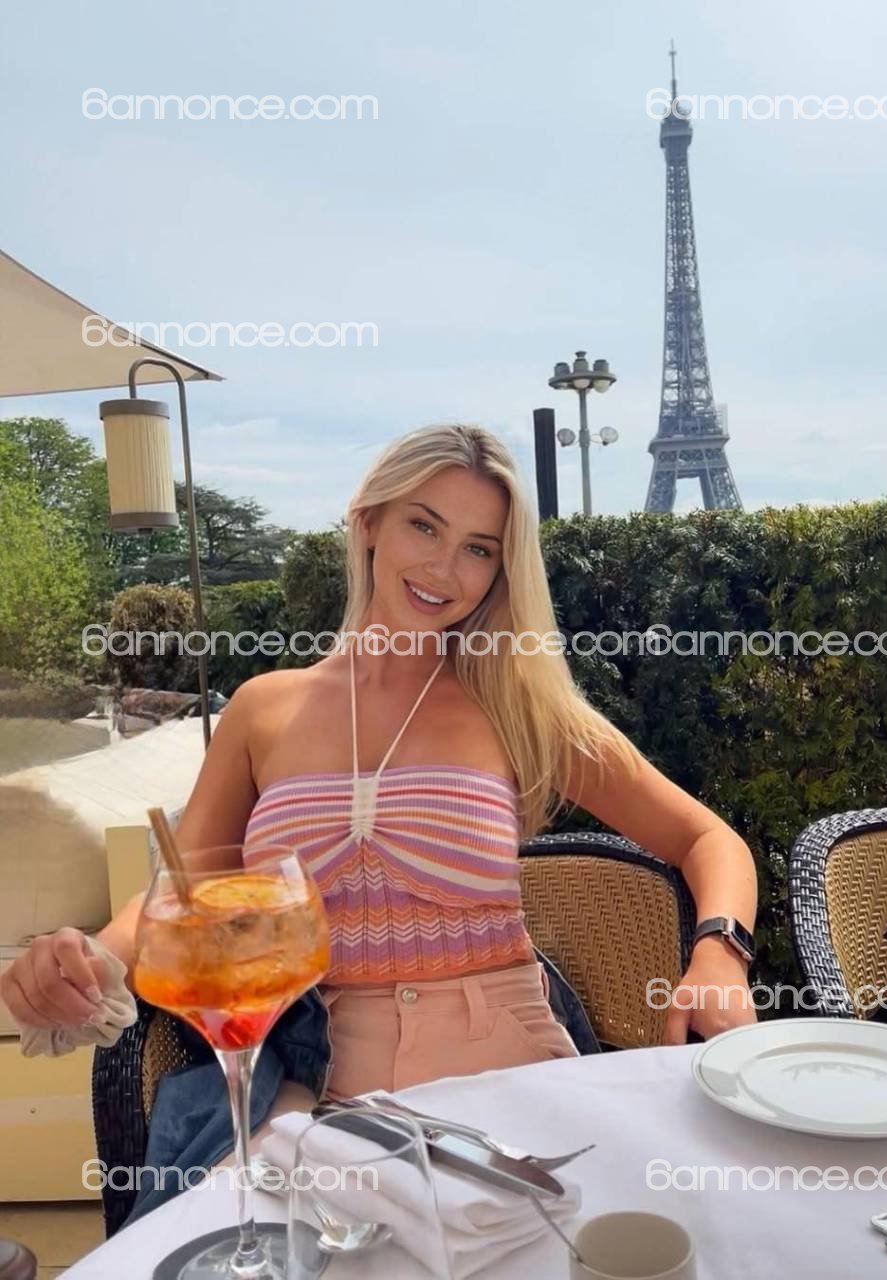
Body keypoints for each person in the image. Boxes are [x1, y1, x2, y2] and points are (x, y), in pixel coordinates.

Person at [2, 423, 757, 1107]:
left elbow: (705, 839)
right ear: (367, 525)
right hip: (307, 1076)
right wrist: (88, 958)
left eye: (478, 548)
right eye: (423, 526)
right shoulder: (264, 710)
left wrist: (720, 953)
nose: (444, 568)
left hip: (506, 1066)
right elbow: (182, 891)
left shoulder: (518, 705)